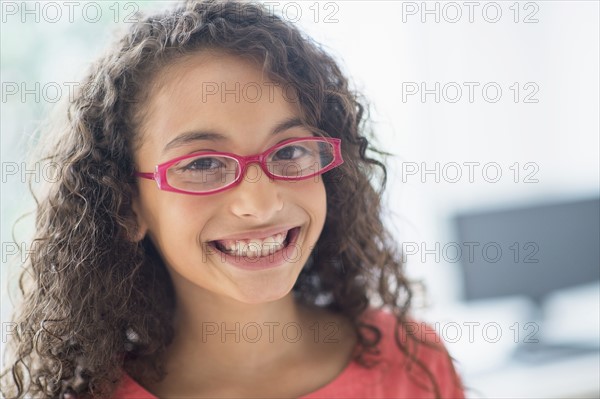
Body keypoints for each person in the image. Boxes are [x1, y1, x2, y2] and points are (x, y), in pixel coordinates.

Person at [1, 1, 465, 398]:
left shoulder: (411, 362)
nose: (260, 204)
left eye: (289, 151)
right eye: (202, 164)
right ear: (128, 204)